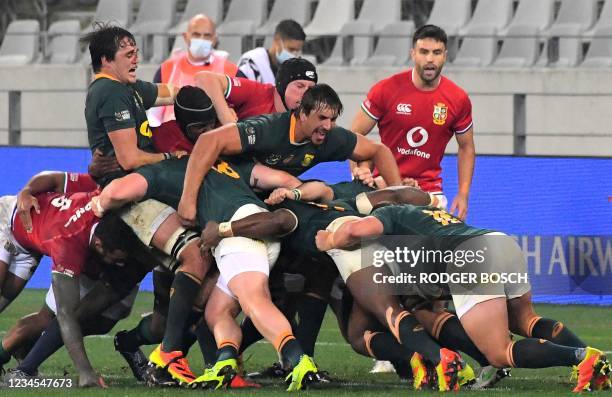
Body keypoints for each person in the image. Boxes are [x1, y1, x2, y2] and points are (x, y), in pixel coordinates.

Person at [315, 204, 612, 392]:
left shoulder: (391, 213)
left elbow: (355, 229)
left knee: (500, 353)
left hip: (471, 255)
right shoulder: (430, 218)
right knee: (526, 320)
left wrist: (329, 240)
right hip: (500, 242)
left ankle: (578, 357)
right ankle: (595, 359)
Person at [179, 84, 403, 226]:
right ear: (303, 114)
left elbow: (379, 151)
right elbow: (209, 140)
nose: (328, 125)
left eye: (333, 119)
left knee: (314, 194)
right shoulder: (268, 128)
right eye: (322, 118)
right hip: (234, 192)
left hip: (277, 198)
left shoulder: (330, 135)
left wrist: (401, 198)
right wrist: (188, 200)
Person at [351, 24, 475, 220]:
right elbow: (352, 137)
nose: (430, 59)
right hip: (384, 185)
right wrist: (360, 172)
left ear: (445, 56)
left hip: (429, 189)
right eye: (424, 52)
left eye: (436, 52)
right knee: (371, 241)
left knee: (429, 246)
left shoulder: (458, 99)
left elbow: (466, 147)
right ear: (413, 54)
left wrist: (463, 194)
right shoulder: (386, 89)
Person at [81, 24, 185, 186]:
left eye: (136, 53)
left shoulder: (125, 86)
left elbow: (172, 93)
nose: (136, 60)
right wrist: (170, 156)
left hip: (142, 175)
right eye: (129, 55)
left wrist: (208, 97)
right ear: (106, 60)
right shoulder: (111, 91)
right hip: (130, 183)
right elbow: (130, 160)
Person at [148, 14, 238, 127]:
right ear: (186, 37)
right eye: (196, 35)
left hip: (214, 136)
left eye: (207, 35)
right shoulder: (166, 69)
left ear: (214, 39)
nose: (201, 39)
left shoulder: (231, 71)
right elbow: (154, 113)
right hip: (172, 137)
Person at [195, 57, 317, 125]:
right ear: (282, 85)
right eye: (300, 86)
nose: (306, 94)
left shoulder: (312, 111)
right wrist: (226, 118)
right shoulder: (257, 92)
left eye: (311, 89)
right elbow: (204, 78)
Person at [237, 19, 306, 84]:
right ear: (277, 40)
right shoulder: (253, 63)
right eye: (291, 49)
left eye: (298, 51)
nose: (295, 55)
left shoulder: (295, 70)